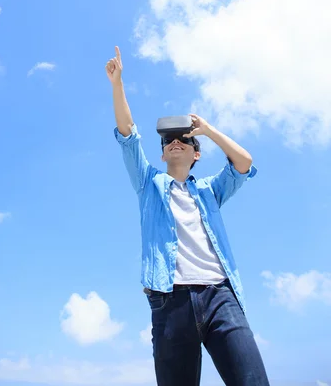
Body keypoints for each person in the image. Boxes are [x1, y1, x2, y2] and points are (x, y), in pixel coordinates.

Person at [106, 46, 270, 386]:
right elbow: (127, 135)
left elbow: (243, 163)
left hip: (220, 296)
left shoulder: (209, 189)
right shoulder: (149, 183)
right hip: (169, 300)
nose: (175, 142)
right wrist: (117, 84)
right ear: (163, 152)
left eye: (183, 139)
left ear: (196, 154)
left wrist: (207, 130)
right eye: (168, 140)